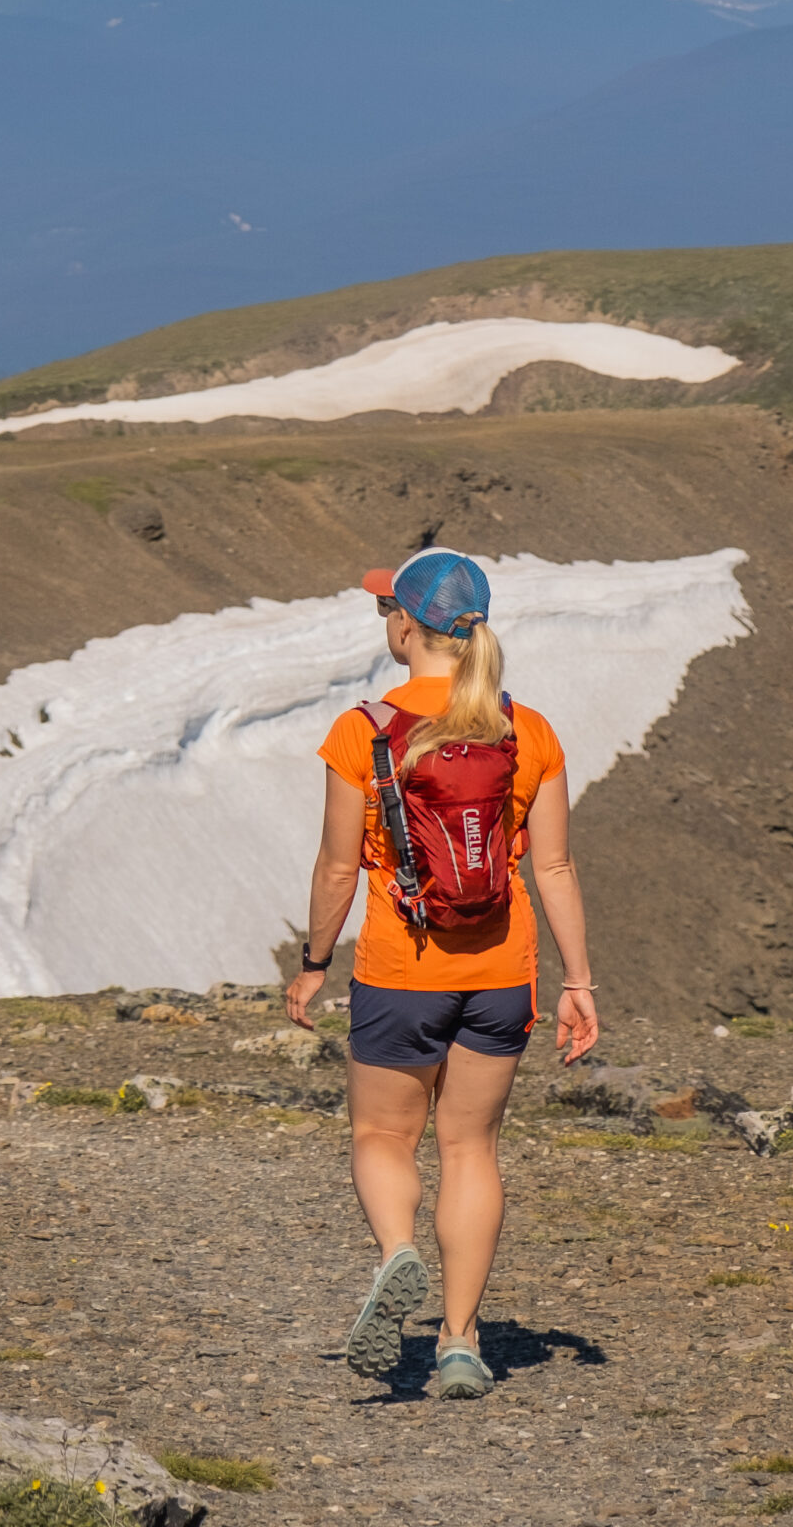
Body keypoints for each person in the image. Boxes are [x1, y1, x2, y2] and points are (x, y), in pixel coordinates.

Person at [285, 548, 600, 1399]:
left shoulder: (365, 731)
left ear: (405, 627)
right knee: (472, 1148)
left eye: (388, 609)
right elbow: (557, 870)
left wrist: (313, 966)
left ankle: (397, 1255)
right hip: (503, 974)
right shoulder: (527, 731)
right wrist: (578, 983)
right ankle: (461, 1343)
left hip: (401, 971)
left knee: (383, 1138)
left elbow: (337, 870)